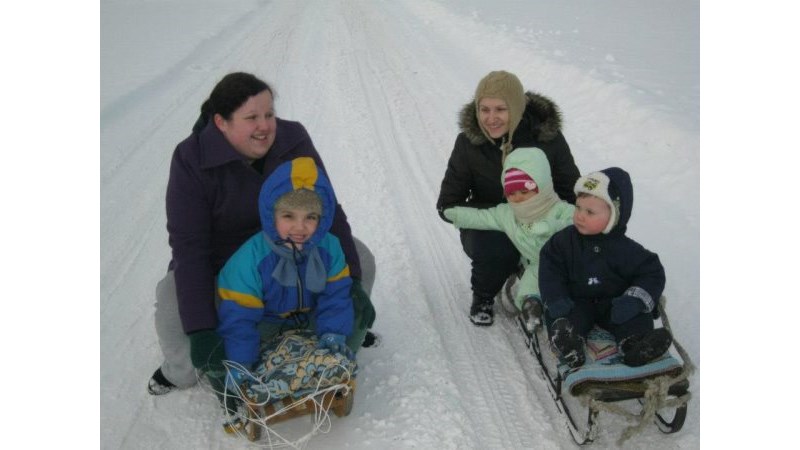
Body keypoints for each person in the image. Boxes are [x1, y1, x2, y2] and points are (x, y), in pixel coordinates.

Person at [148, 72, 376, 396]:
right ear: (221, 122)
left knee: (361, 258)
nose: (265, 126)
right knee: (173, 302)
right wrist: (200, 328)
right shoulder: (191, 159)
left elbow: (329, 209)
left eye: (269, 114)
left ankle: (333, 332)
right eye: (251, 117)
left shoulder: (292, 138)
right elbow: (190, 246)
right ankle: (183, 370)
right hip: (228, 267)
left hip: (291, 250)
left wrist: (352, 282)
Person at [436, 70, 580, 325]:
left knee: (567, 244)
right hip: (493, 222)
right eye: (485, 109)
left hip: (540, 216)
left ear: (516, 108)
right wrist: (498, 217)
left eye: (500, 109)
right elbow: (448, 202)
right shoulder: (469, 144)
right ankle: (483, 295)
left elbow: (571, 189)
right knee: (497, 250)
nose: (491, 119)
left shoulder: (547, 139)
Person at [215, 156, 355, 393]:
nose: (300, 227)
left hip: (309, 318)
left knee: (341, 340)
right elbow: (239, 316)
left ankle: (322, 373)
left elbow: (336, 296)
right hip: (264, 323)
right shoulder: (251, 259)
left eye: (310, 217)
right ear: (272, 214)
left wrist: (333, 332)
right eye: (289, 216)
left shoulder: (329, 248)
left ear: (322, 219)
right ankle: (253, 381)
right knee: (248, 356)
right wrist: (241, 361)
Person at [538, 168, 673, 368]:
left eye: (590, 212)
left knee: (635, 316)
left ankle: (636, 345)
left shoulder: (625, 248)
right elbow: (550, 267)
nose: (580, 216)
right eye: (578, 207)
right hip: (576, 301)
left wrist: (634, 300)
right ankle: (568, 344)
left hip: (614, 303)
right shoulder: (563, 242)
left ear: (615, 215)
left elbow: (651, 271)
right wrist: (555, 296)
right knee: (562, 317)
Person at [443, 147, 575, 324]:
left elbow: (576, 222)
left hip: (569, 261)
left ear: (541, 185)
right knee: (531, 283)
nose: (518, 198)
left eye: (524, 191)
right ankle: (532, 306)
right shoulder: (508, 214)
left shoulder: (559, 210)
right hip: (537, 265)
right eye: (512, 193)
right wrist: (457, 214)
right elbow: (483, 216)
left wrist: (549, 226)